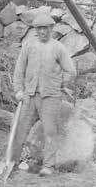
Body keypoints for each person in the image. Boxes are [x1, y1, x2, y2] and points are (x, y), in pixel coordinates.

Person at [11, 13, 76, 176]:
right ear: (35, 30)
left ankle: (48, 166)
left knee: (50, 132)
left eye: (45, 29)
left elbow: (71, 71)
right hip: (29, 96)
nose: (42, 32)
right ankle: (12, 161)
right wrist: (18, 90)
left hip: (50, 98)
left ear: (51, 29)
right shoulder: (28, 46)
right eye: (39, 29)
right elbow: (19, 70)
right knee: (20, 129)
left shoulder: (58, 47)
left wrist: (60, 85)